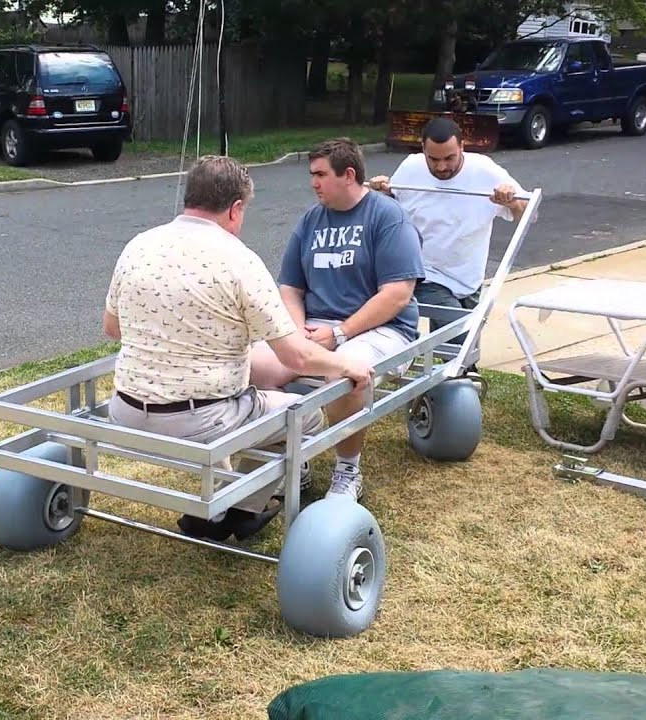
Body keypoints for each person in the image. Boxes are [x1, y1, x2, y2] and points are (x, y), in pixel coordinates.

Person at [103, 154, 374, 542]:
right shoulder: (238, 260)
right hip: (197, 423)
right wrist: (345, 365)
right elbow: (295, 355)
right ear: (235, 208)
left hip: (124, 409)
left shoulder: (138, 245)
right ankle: (241, 507)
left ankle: (223, 505)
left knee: (246, 397)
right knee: (306, 417)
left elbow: (113, 328)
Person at [249, 138, 425, 503]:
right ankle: (292, 459)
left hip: (382, 329)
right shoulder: (311, 220)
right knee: (255, 366)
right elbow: (290, 288)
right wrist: (296, 333)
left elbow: (397, 293)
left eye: (320, 175)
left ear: (349, 175)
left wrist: (340, 334)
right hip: (317, 328)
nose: (313, 183)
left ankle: (348, 469)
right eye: (311, 174)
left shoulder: (387, 217)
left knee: (341, 373)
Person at [368, 116, 532, 346]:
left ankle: (461, 376)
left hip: (468, 276)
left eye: (449, 158)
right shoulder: (410, 168)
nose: (441, 166)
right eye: (433, 159)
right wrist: (383, 191)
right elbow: (391, 211)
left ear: (462, 147)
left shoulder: (485, 171)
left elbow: (528, 216)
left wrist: (511, 202)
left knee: (465, 349)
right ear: (423, 149)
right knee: (457, 333)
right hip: (424, 274)